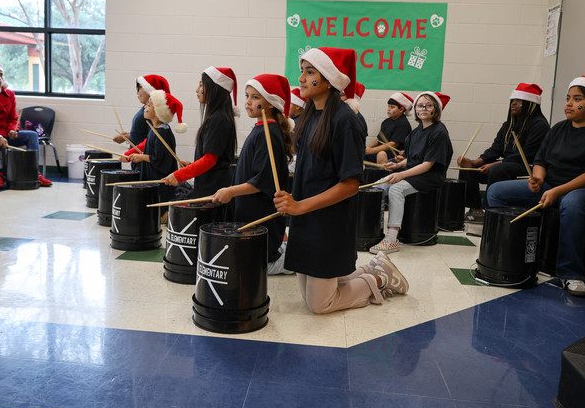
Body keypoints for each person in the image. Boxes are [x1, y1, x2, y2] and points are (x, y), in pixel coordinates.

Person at [273, 47, 408, 315]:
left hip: (328, 221)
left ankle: (379, 279)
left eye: (310, 72)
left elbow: (350, 185)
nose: (301, 78)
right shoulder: (310, 115)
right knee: (309, 293)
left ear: (329, 79)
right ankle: (373, 267)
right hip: (306, 217)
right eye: (302, 71)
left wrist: (299, 206)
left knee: (320, 304)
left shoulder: (347, 120)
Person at [486, 76, 585, 297]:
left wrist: (558, 191)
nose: (568, 103)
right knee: (497, 191)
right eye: (568, 98)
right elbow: (540, 161)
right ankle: (511, 256)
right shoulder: (558, 128)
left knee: (572, 202)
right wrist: (537, 178)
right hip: (551, 185)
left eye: (577, 99)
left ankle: (572, 273)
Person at [212, 74, 293, 275]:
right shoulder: (260, 128)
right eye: (248, 96)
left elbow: (261, 181)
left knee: (258, 264)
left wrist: (230, 191)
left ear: (271, 102)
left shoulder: (269, 133)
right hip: (250, 209)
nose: (248, 101)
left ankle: (296, 262)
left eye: (256, 97)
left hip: (260, 211)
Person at [369, 91, 453, 253]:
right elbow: (413, 159)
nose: (423, 109)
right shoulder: (416, 131)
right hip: (414, 172)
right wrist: (398, 165)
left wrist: (401, 175)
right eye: (420, 105)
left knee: (396, 189)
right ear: (414, 109)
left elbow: (427, 164)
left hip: (429, 176)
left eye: (429, 106)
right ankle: (372, 231)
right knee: (379, 186)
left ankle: (392, 239)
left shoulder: (439, 132)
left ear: (436, 109)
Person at [457, 83, 550, 222]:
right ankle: (475, 209)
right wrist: (476, 162)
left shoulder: (540, 125)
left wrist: (496, 164)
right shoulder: (508, 124)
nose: (513, 103)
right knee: (468, 168)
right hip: (507, 165)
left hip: (528, 168)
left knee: (499, 169)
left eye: (518, 101)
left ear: (530, 104)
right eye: (512, 100)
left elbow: (526, 155)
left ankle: (489, 213)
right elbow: (496, 148)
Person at [0, 61, 51, 189]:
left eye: (1, 75)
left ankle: (34, 173)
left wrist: (13, 130)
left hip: (4, 133)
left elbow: (13, 118)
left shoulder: (10, 94)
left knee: (32, 135)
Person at [164, 67, 237, 198]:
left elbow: (210, 160)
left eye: (201, 85)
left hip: (213, 190)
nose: (197, 90)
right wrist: (192, 165)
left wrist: (179, 175)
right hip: (211, 186)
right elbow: (215, 159)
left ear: (214, 89)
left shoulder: (218, 119)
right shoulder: (219, 116)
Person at [121, 88, 187, 205]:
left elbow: (160, 160)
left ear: (158, 111)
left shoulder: (162, 133)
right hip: (152, 179)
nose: (145, 107)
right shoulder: (155, 130)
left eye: (149, 105)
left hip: (161, 184)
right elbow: (154, 154)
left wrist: (142, 157)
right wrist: (141, 155)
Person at [112, 74, 170, 149]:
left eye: (139, 88)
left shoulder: (152, 113)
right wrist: (130, 136)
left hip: (143, 159)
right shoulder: (147, 109)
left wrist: (132, 152)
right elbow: (147, 135)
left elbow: (152, 140)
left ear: (150, 91)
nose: (137, 93)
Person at [364, 92, 413, 165]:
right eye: (388, 106)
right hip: (382, 150)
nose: (389, 109)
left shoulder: (403, 123)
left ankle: (383, 175)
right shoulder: (386, 122)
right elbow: (379, 140)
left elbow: (394, 144)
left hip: (396, 154)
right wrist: (367, 147)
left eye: (392, 107)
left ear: (401, 109)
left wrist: (372, 150)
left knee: (381, 154)